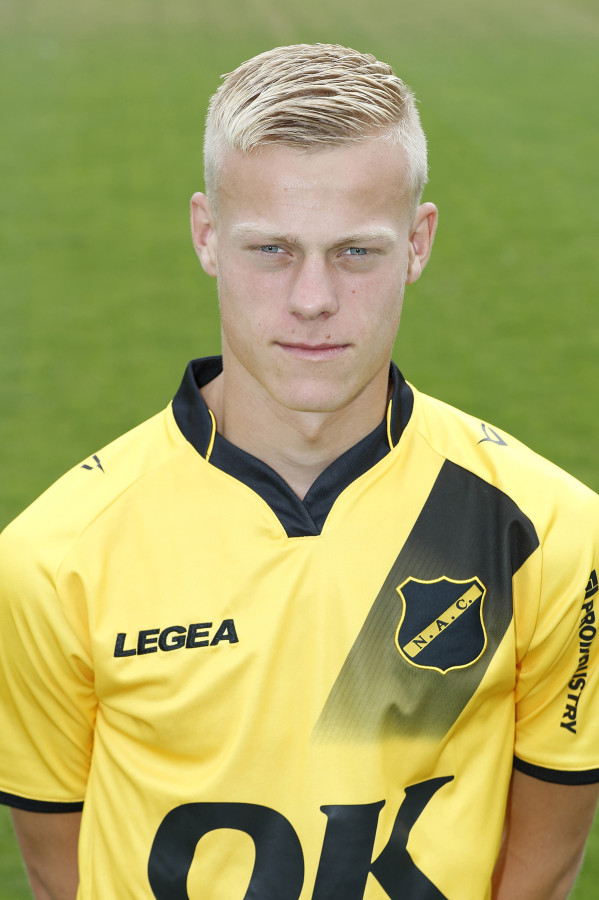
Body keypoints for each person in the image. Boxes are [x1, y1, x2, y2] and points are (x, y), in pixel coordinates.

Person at [0, 42, 598, 900]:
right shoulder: (55, 557)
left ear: (417, 244)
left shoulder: (541, 529)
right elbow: (61, 870)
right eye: (272, 249)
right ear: (207, 236)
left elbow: (542, 866)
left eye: (355, 252)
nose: (312, 299)